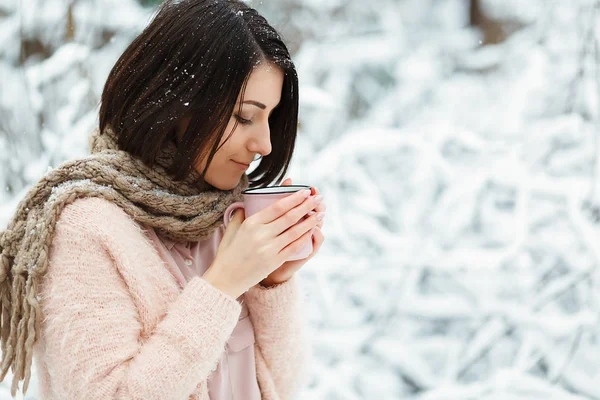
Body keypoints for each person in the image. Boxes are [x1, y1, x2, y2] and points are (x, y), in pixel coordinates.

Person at [0, 0, 326, 398]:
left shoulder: (227, 222)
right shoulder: (86, 228)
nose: (264, 143)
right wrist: (223, 285)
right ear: (177, 103)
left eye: (270, 118)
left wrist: (271, 282)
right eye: (244, 116)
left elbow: (279, 388)